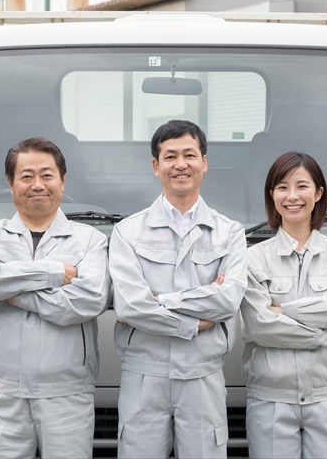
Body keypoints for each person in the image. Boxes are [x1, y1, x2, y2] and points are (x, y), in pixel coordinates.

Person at [0, 137, 111, 458]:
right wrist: (52, 273)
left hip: (67, 395)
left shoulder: (89, 240)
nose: (37, 185)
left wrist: (12, 292)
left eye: (47, 175)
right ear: (11, 182)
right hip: (4, 394)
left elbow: (88, 301)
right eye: (26, 176)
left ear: (62, 180)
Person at [109, 119, 248, 458]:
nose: (181, 164)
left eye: (190, 154)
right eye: (170, 156)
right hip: (144, 375)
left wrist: (163, 301)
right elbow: (130, 307)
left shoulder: (229, 233)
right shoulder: (127, 232)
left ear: (204, 163)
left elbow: (228, 299)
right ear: (156, 166)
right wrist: (194, 321)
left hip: (203, 374)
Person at [240, 151, 327, 458]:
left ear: (318, 193)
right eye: (282, 187)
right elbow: (258, 325)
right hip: (271, 400)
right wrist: (323, 331)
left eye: (302, 186)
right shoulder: (252, 259)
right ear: (271, 195)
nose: (292, 196)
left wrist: (283, 310)